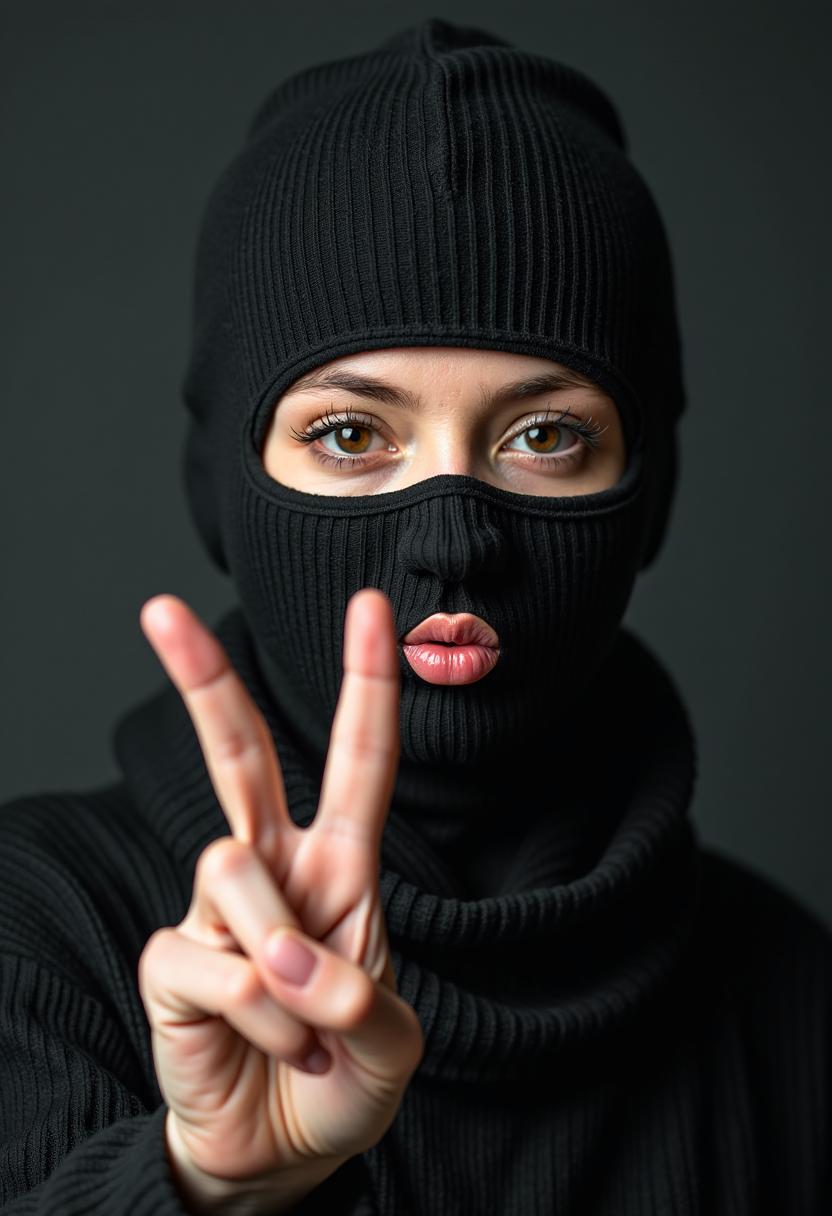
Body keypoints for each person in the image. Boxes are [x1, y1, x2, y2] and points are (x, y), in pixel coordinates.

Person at [1, 15, 829, 1216]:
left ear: (650, 490)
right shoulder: (37, 939)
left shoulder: (794, 1006)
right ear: (218, 486)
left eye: (545, 435)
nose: (454, 539)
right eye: (349, 434)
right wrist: (205, 1188)